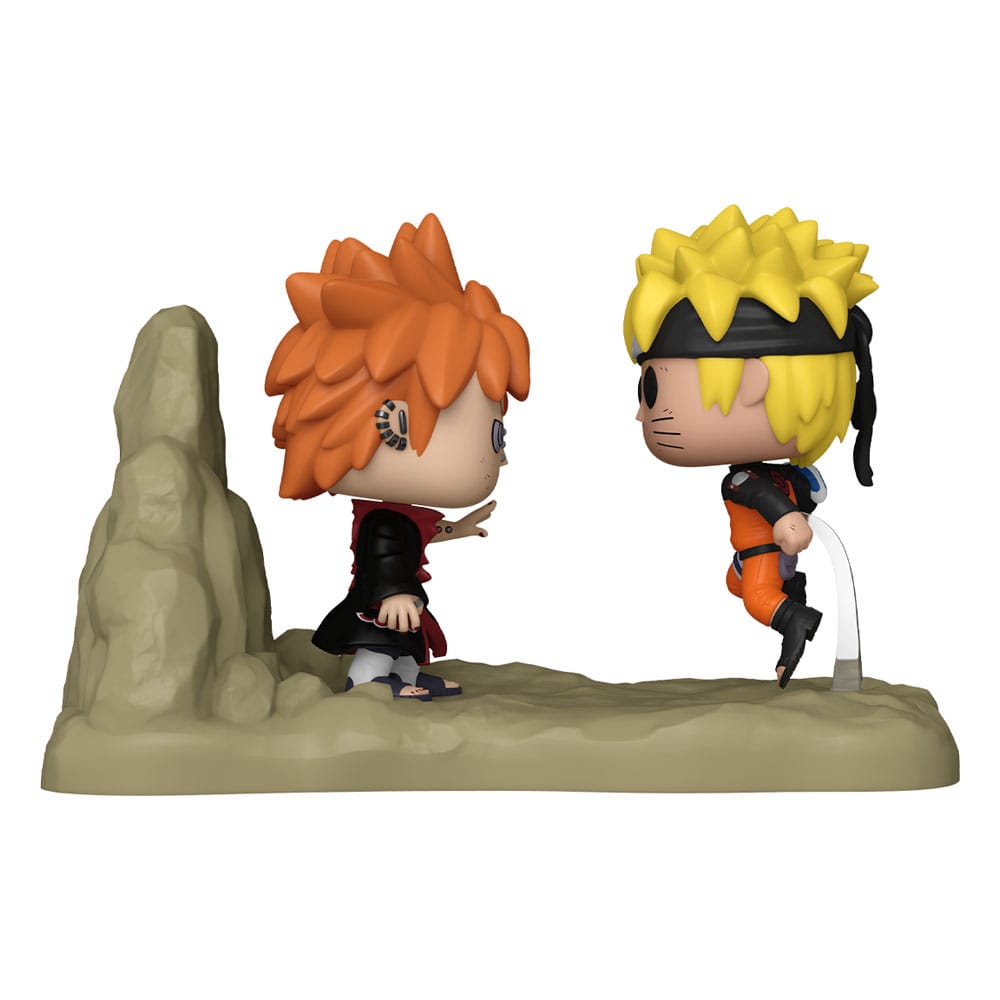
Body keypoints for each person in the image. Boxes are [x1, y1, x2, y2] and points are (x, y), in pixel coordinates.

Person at [266, 214, 529, 699]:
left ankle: (404, 678)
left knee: (405, 644)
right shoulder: (381, 521)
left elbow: (414, 533)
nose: (499, 458)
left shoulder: (396, 515)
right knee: (381, 640)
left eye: (496, 434)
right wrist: (395, 592)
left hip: (397, 597)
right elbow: (385, 552)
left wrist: (456, 528)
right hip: (381, 599)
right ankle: (369, 682)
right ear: (393, 424)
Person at [624, 205, 877, 686]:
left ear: (753, 384)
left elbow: (766, 497)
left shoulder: (742, 479)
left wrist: (784, 519)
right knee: (734, 582)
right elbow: (802, 493)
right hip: (767, 550)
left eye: (651, 391)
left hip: (764, 547)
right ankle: (793, 597)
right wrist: (796, 511)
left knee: (757, 597)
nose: (642, 413)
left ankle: (795, 619)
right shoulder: (781, 475)